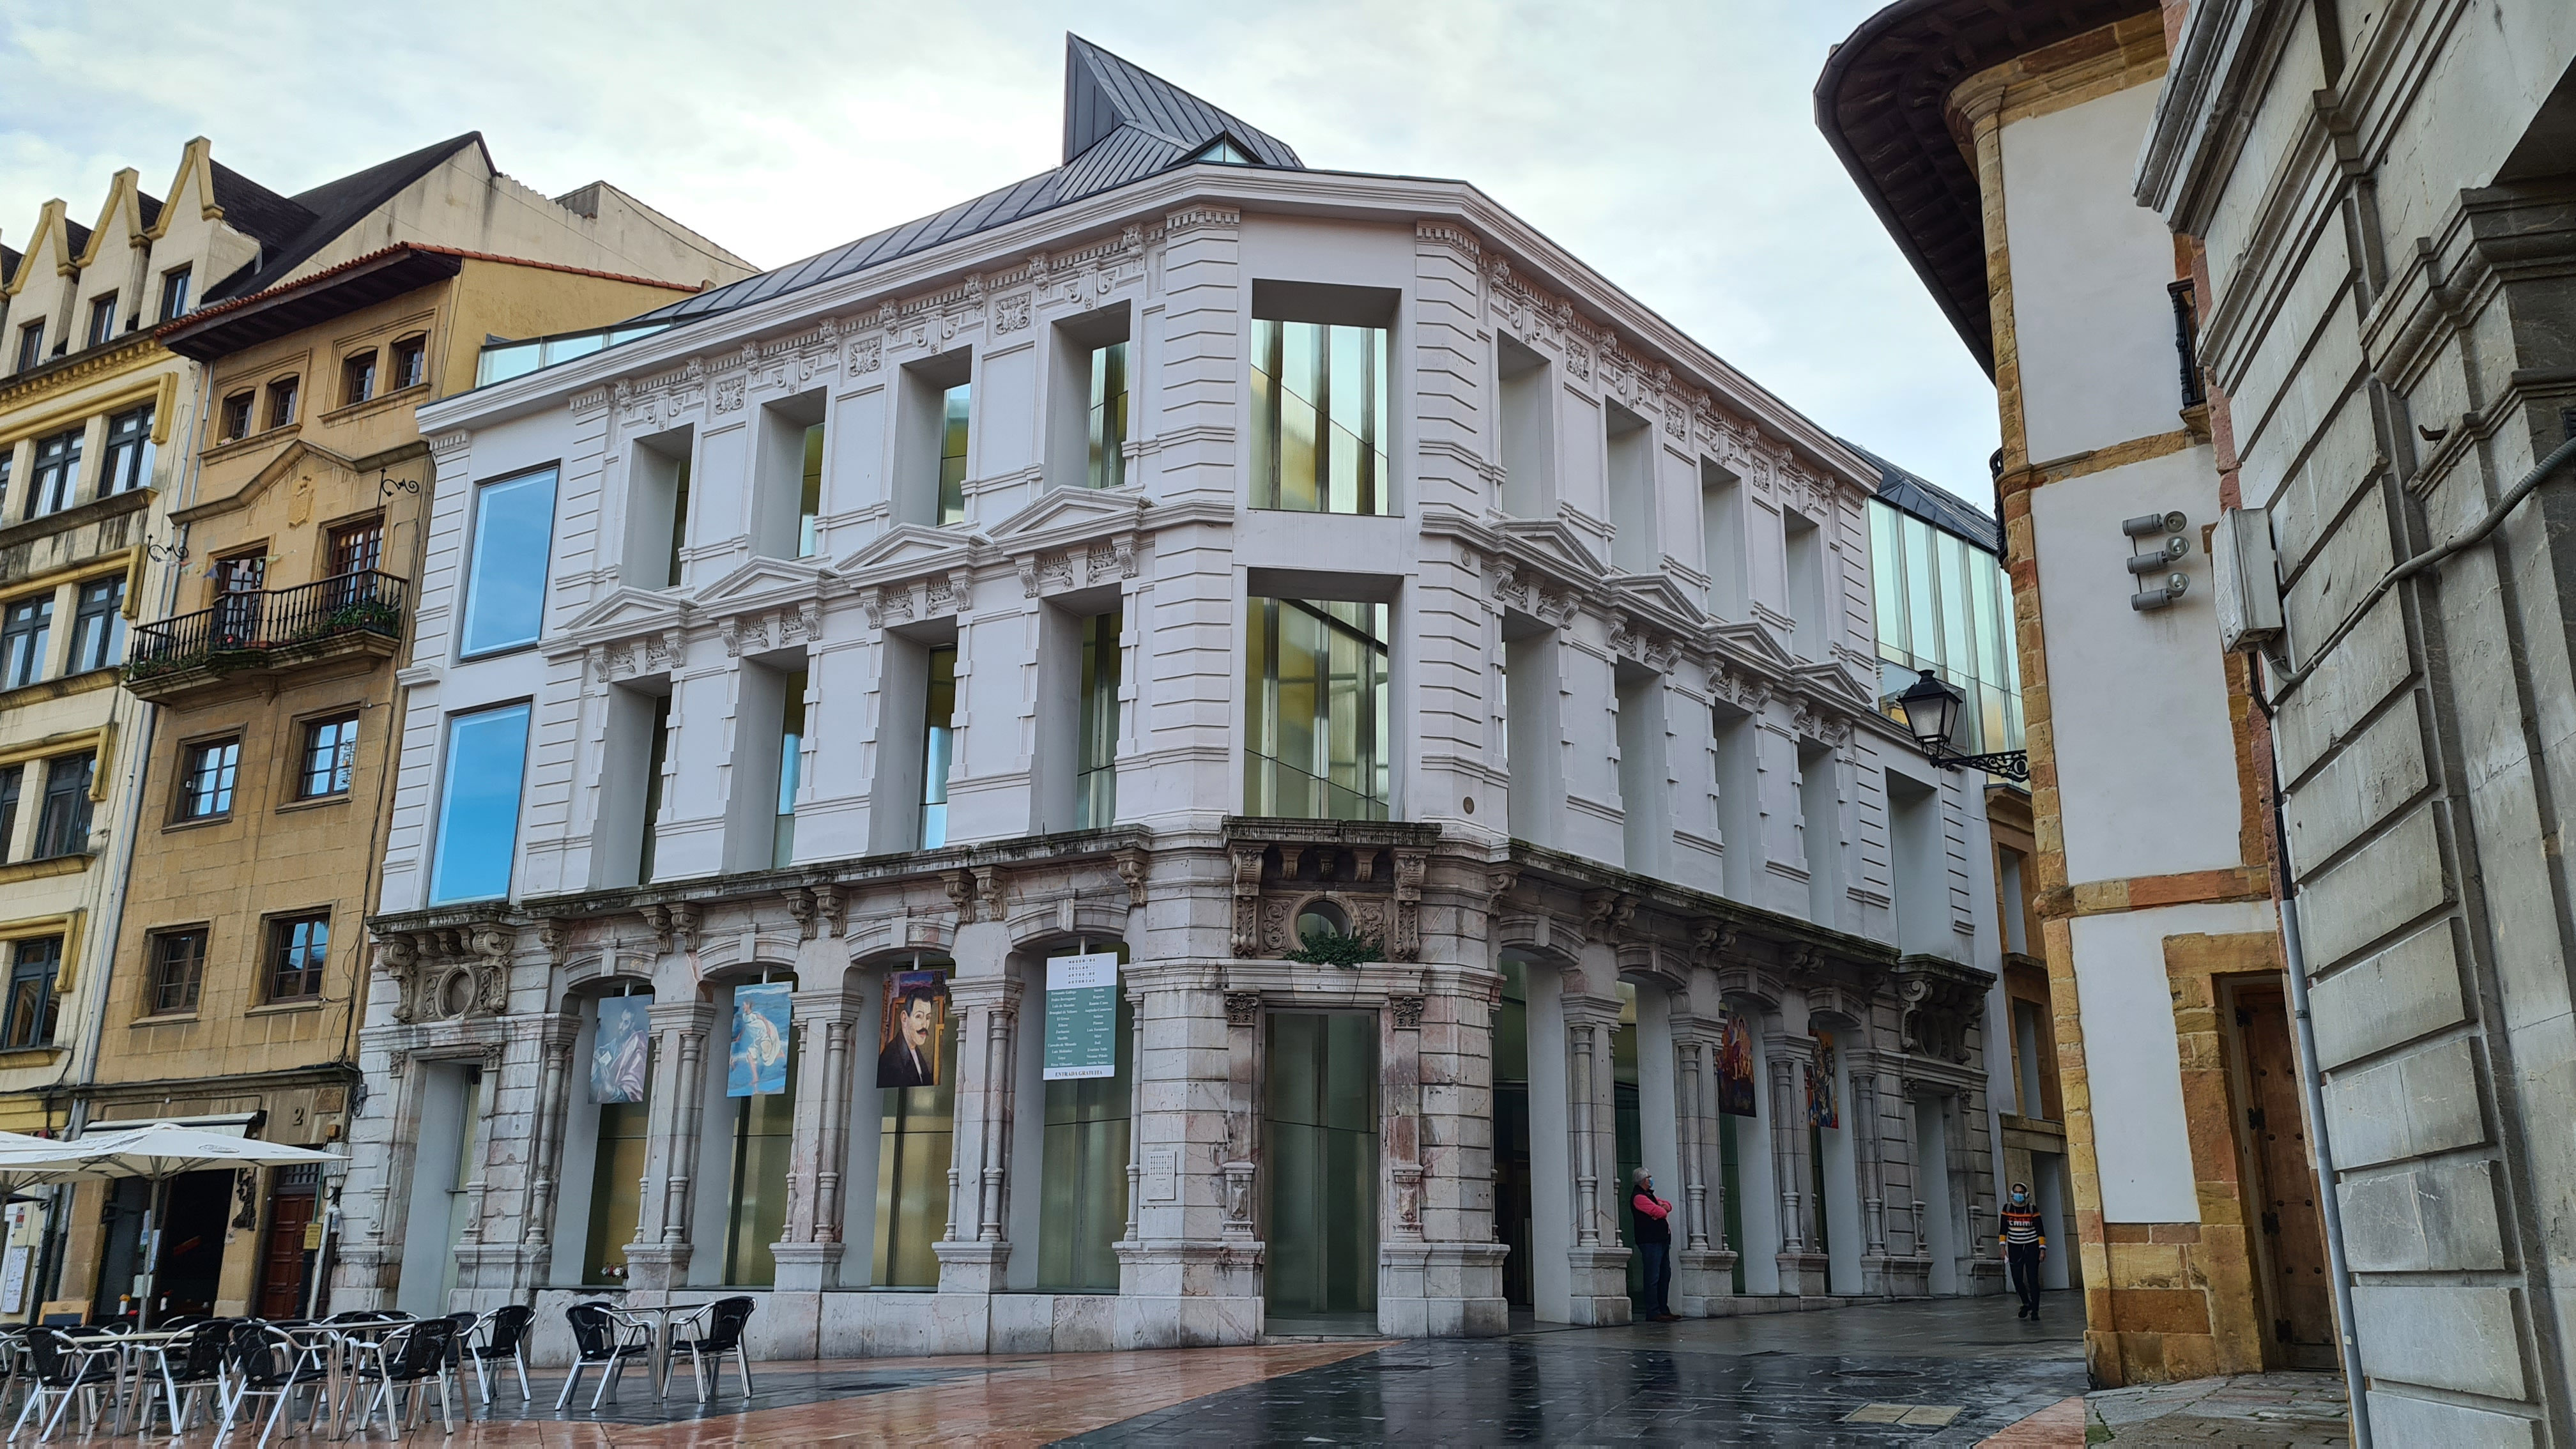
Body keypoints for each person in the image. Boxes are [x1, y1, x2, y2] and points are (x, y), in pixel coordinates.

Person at [1630, 1167, 1678, 1322]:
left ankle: (1663, 1309)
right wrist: (1660, 1210)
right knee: (1653, 1276)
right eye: (1648, 1178)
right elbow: (1661, 1212)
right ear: (1643, 1180)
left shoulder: (1649, 1195)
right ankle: (1653, 1311)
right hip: (1650, 1241)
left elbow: (1667, 1205)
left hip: (1662, 1240)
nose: (1650, 1180)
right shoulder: (1639, 1197)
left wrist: (1661, 1208)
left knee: (1665, 1275)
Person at [878, 987, 942, 1087]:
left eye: (928, 1018)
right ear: (904, 1018)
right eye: (919, 1016)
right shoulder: (891, 1060)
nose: (925, 1025)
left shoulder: (915, 1050)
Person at [2000, 1181, 2046, 1319]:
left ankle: (2035, 1310)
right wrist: (2003, 1247)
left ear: (2025, 1194)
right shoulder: (2007, 1208)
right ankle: (2026, 1303)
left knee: (2032, 1278)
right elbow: (2003, 1229)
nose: (2019, 1195)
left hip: (2031, 1246)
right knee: (2017, 1278)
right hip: (2015, 1246)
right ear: (2012, 1194)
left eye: (2021, 1192)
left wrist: (2042, 1249)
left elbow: (2040, 1231)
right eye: (2017, 1192)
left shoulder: (2032, 1209)